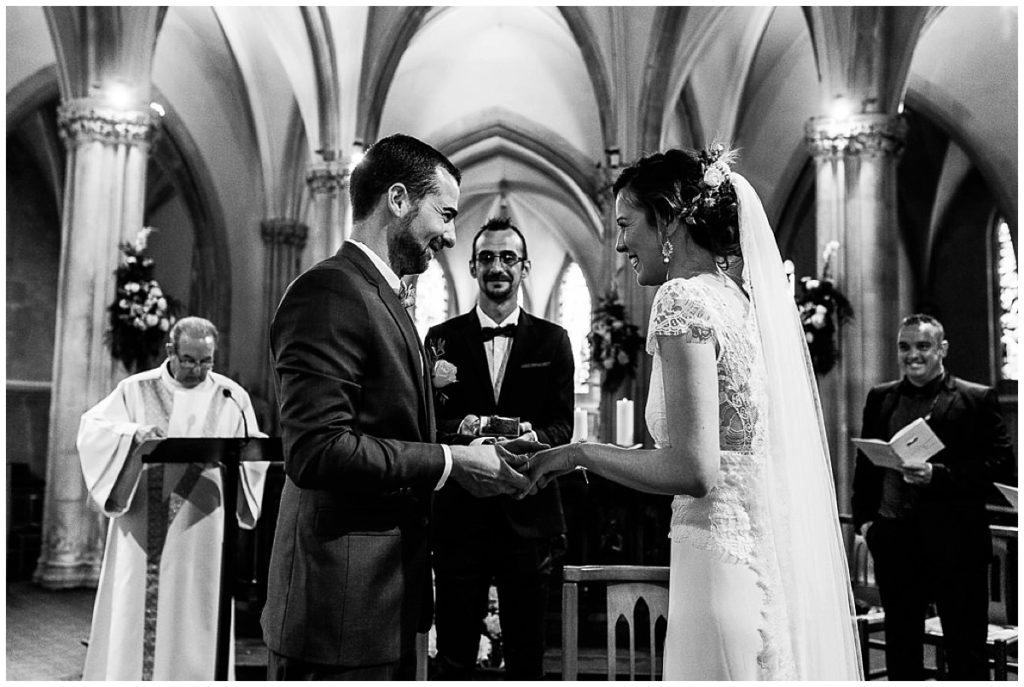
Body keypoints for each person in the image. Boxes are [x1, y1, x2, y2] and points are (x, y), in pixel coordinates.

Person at [522, 145, 863, 679]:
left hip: (715, 569)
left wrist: (580, 452)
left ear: (668, 221)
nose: (618, 242)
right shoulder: (737, 301)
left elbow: (694, 469)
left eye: (626, 223)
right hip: (755, 561)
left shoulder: (681, 300)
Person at [261, 133, 536, 680]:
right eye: (446, 213)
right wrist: (452, 463)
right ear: (398, 199)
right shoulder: (330, 292)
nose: (453, 236)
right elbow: (318, 451)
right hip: (337, 598)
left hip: (382, 590)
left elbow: (387, 428)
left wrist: (467, 450)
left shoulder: (380, 293)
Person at [77, 316, 269, 680]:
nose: (199, 369)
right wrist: (133, 435)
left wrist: (246, 458)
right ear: (170, 351)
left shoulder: (230, 395)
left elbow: (252, 448)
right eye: (189, 360)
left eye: (206, 361)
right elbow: (94, 429)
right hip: (142, 522)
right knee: (136, 611)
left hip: (203, 529)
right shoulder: (136, 390)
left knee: (198, 610)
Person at [425, 217, 574, 680]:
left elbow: (561, 428)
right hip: (459, 517)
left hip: (527, 515)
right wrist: (475, 435)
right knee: (452, 656)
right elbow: (430, 424)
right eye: (487, 257)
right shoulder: (440, 340)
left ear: (524, 267)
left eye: (508, 257)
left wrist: (526, 442)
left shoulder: (554, 340)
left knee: (528, 658)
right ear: (471, 266)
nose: (497, 266)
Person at [852, 313, 1014, 680]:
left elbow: (1000, 467)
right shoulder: (880, 398)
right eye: (904, 347)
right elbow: (865, 467)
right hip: (895, 542)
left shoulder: (975, 398)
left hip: (955, 546)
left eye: (923, 346)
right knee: (902, 650)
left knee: (965, 652)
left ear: (942, 349)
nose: (913, 355)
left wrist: (937, 476)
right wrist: (866, 522)